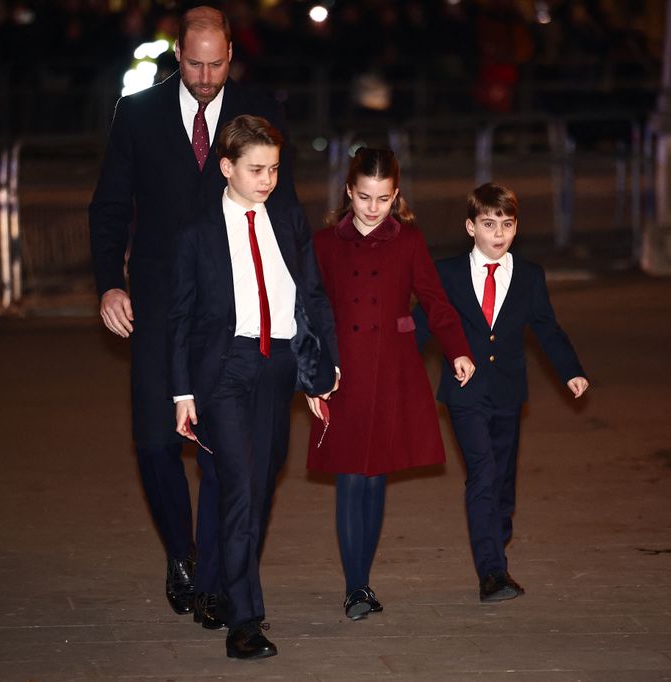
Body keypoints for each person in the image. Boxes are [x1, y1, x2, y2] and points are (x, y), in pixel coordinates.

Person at [88, 6, 298, 629]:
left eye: (217, 63)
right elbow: (108, 207)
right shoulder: (140, 112)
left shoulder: (259, 110)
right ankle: (182, 555)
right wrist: (108, 285)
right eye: (194, 63)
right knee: (154, 441)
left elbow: (281, 208)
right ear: (176, 52)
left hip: (229, 311)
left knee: (220, 450)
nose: (205, 78)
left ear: (232, 53)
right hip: (154, 305)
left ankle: (216, 578)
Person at [170, 114, 338, 659]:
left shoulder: (288, 218)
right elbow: (181, 319)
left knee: (260, 490)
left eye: (274, 169)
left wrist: (319, 369)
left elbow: (310, 297)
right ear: (227, 168)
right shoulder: (197, 233)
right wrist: (182, 393)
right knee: (241, 489)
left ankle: (214, 588)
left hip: (279, 366)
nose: (267, 179)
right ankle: (246, 620)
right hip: (226, 370)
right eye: (256, 169)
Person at [305, 148, 475, 620]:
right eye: (364, 197)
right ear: (348, 192)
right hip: (341, 373)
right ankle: (354, 586)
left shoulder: (410, 242)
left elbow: (436, 302)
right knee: (348, 477)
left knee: (375, 476)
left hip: (391, 370)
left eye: (382, 198)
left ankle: (361, 581)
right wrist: (311, 371)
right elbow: (308, 311)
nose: (373, 208)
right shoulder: (324, 244)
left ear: (396, 195)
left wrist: (458, 349)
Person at [413, 182, 589, 602]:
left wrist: (571, 371)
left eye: (506, 225)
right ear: (471, 227)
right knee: (483, 475)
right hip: (465, 393)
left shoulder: (529, 276)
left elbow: (546, 327)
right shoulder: (448, 273)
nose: (498, 233)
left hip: (509, 392)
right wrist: (388, 368)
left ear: (516, 228)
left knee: (503, 483)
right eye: (489, 224)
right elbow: (424, 325)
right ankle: (492, 572)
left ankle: (496, 539)